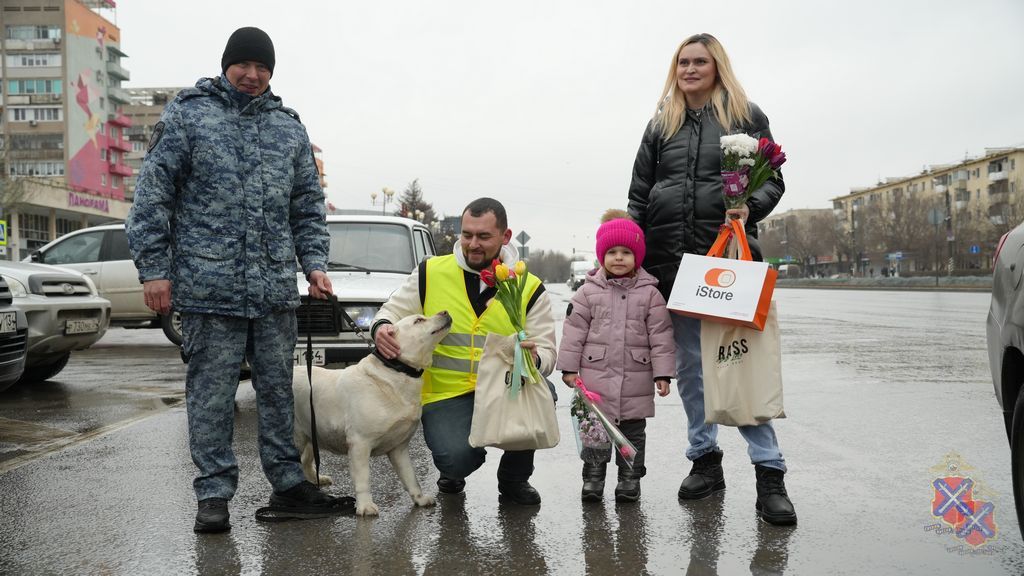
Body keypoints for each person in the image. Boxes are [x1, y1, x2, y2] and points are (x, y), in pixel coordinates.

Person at [126, 26, 352, 533]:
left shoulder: (288, 129)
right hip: (209, 289)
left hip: (273, 291)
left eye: (262, 67)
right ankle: (213, 493)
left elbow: (307, 208)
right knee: (212, 396)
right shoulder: (189, 115)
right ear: (226, 64)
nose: (252, 75)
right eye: (243, 65)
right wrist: (154, 271)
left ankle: (288, 483)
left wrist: (315, 264)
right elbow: (152, 198)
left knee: (278, 393)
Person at [626, 33, 796, 525]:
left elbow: (773, 178)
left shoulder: (744, 115)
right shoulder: (661, 123)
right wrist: (633, 253)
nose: (690, 69)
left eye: (700, 61)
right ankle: (704, 460)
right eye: (683, 62)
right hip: (671, 264)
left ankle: (770, 474)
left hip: (728, 261)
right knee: (691, 369)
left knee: (738, 366)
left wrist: (749, 207)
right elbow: (639, 194)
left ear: (717, 65)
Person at [371, 197, 557, 505]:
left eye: (483, 236)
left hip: (505, 389)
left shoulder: (529, 286)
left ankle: (514, 479)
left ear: (505, 237)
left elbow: (548, 351)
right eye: (467, 234)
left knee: (545, 392)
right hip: (446, 395)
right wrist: (381, 328)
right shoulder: (430, 272)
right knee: (456, 460)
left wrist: (535, 358)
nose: (473, 244)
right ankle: (453, 469)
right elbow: (391, 311)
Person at [557, 210, 675, 503]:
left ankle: (629, 479)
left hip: (636, 378)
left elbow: (661, 336)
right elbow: (574, 331)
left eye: (626, 252)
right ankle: (593, 478)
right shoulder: (587, 293)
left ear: (637, 257)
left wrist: (663, 373)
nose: (618, 258)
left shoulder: (650, 294)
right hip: (594, 379)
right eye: (611, 252)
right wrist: (569, 368)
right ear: (601, 257)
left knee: (633, 433)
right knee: (594, 432)